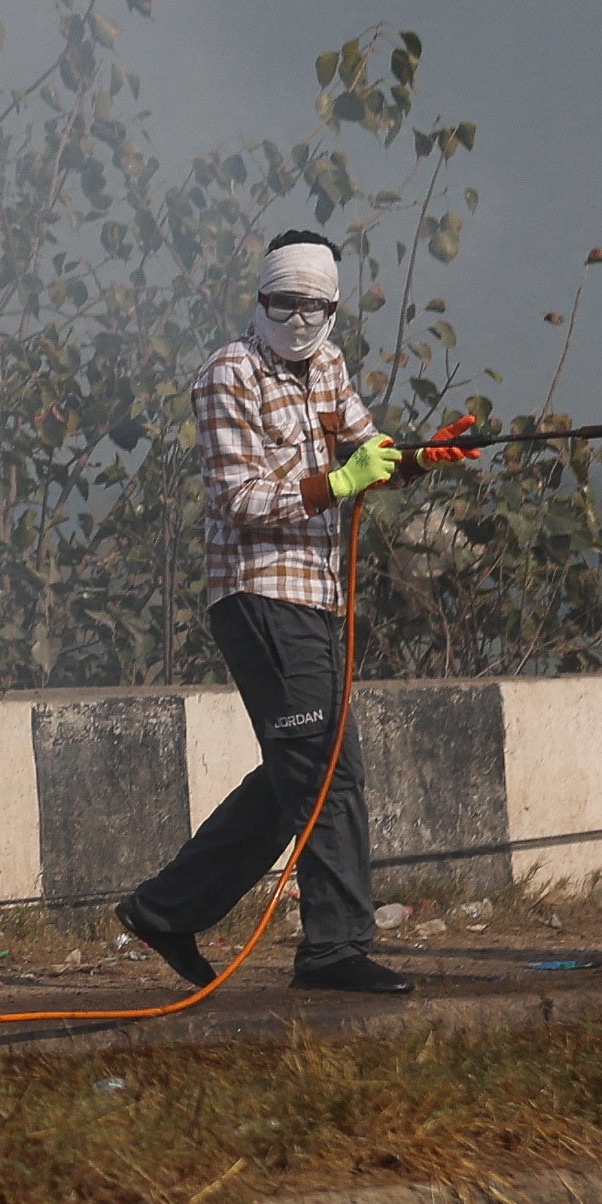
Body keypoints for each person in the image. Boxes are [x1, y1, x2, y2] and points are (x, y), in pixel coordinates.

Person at [117, 231, 414, 999]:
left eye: (314, 306)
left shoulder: (329, 365)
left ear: (332, 308)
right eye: (284, 301)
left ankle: (165, 908)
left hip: (318, 596)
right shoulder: (228, 373)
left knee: (300, 774)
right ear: (261, 297)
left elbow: (363, 440)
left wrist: (414, 457)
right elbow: (238, 498)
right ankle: (333, 948)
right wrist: (337, 482)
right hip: (258, 594)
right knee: (327, 773)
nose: (298, 317)